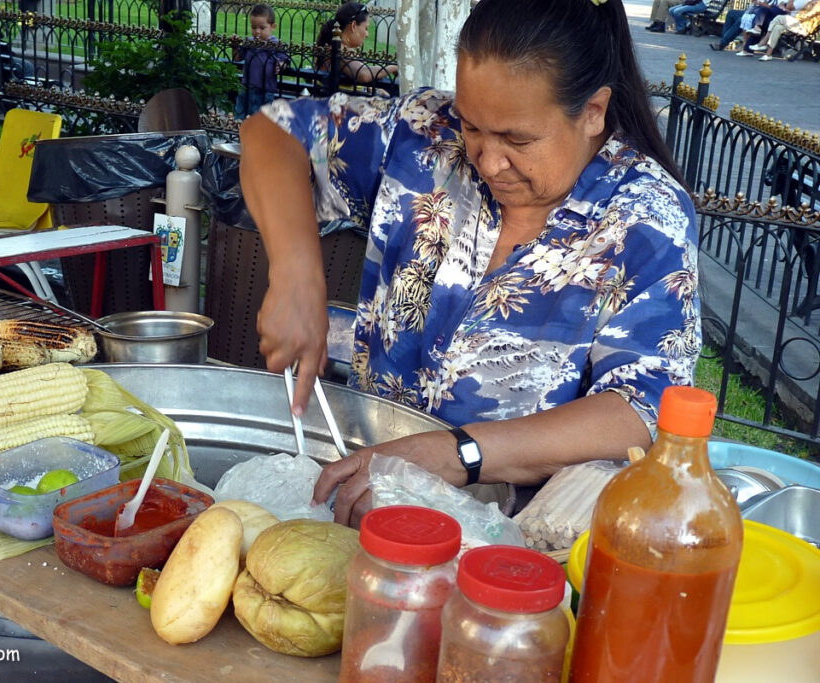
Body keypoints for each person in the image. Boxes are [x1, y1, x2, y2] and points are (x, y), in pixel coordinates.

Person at [239, 0, 700, 527]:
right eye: (474, 126)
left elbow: (640, 411)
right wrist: (296, 275)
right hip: (360, 495)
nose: (488, 159)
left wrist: (459, 453)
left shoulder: (646, 219)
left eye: (518, 139)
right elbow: (271, 135)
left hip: (511, 544)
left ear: (593, 111)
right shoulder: (423, 133)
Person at [315, 2, 397, 85]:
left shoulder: (337, 46)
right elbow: (363, 74)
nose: (367, 35)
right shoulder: (338, 49)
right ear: (353, 25)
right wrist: (393, 67)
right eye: (366, 28)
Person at [234, 4, 288, 119]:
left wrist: (280, 65)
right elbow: (237, 58)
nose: (257, 31)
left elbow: (284, 59)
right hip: (246, 88)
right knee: (239, 117)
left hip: (265, 91)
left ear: (273, 27)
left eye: (262, 28)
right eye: (254, 27)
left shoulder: (276, 45)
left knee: (261, 120)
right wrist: (234, 45)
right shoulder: (249, 43)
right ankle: (239, 133)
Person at [749, 0, 820, 59]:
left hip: (804, 27)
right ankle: (768, 54)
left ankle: (763, 42)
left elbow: (806, 16)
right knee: (777, 27)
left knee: (779, 18)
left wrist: (793, 15)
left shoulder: (818, 4)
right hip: (797, 23)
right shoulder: (811, 1)